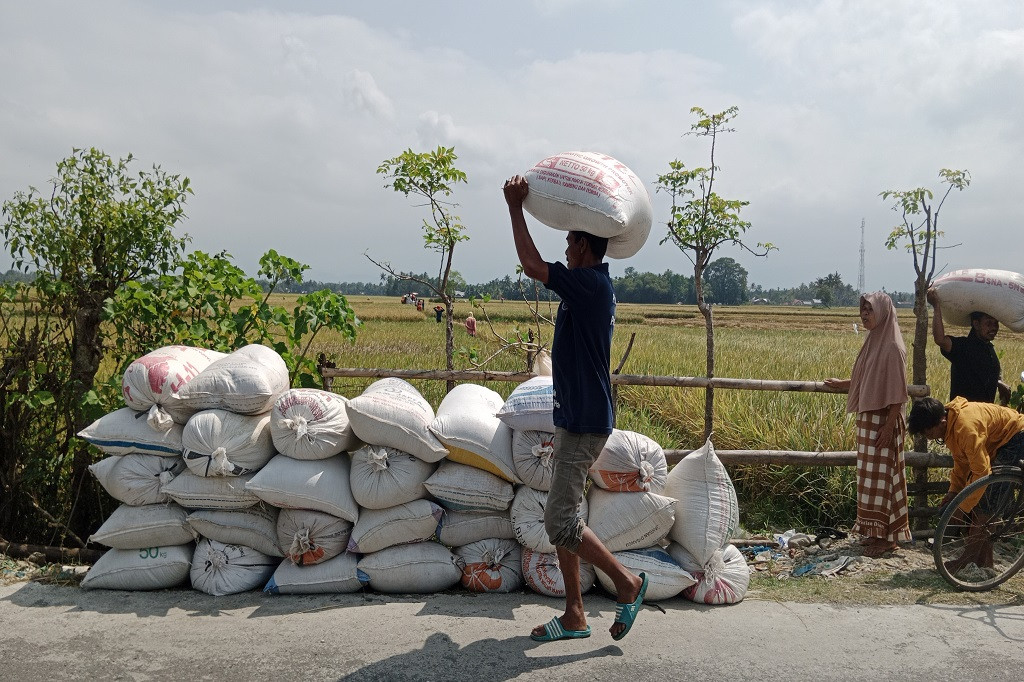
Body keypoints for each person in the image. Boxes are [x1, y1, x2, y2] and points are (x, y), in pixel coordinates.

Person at [503, 174, 647, 643]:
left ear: (584, 247)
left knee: (559, 522)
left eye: (569, 241)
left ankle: (627, 585)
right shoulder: (589, 285)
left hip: (585, 421)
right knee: (565, 515)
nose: (565, 248)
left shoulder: (588, 285)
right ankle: (574, 613)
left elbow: (530, 264)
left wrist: (515, 207)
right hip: (576, 415)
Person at [824, 292, 911, 558]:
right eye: (862, 310)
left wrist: (887, 429)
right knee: (869, 480)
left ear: (883, 312)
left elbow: (898, 393)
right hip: (869, 420)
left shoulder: (893, 348)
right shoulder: (874, 341)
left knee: (885, 480)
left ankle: (887, 539)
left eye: (869, 310)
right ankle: (875, 534)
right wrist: (843, 384)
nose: (864, 315)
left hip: (883, 422)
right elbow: (869, 380)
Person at [907, 396, 1024, 573]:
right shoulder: (950, 426)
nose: (928, 438)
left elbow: (981, 472)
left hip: (1016, 437)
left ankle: (966, 560)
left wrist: (962, 508)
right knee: (982, 501)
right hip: (1001, 442)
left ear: (942, 421)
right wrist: (953, 493)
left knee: (985, 503)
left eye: (928, 433)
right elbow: (961, 464)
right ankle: (985, 562)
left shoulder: (965, 427)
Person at [926, 287, 1011, 404]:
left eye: (996, 323)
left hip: (985, 417)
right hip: (964, 417)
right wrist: (936, 306)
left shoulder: (989, 349)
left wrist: (998, 383)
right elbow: (940, 339)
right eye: (989, 323)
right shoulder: (963, 347)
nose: (994, 327)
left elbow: (981, 374)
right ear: (976, 324)